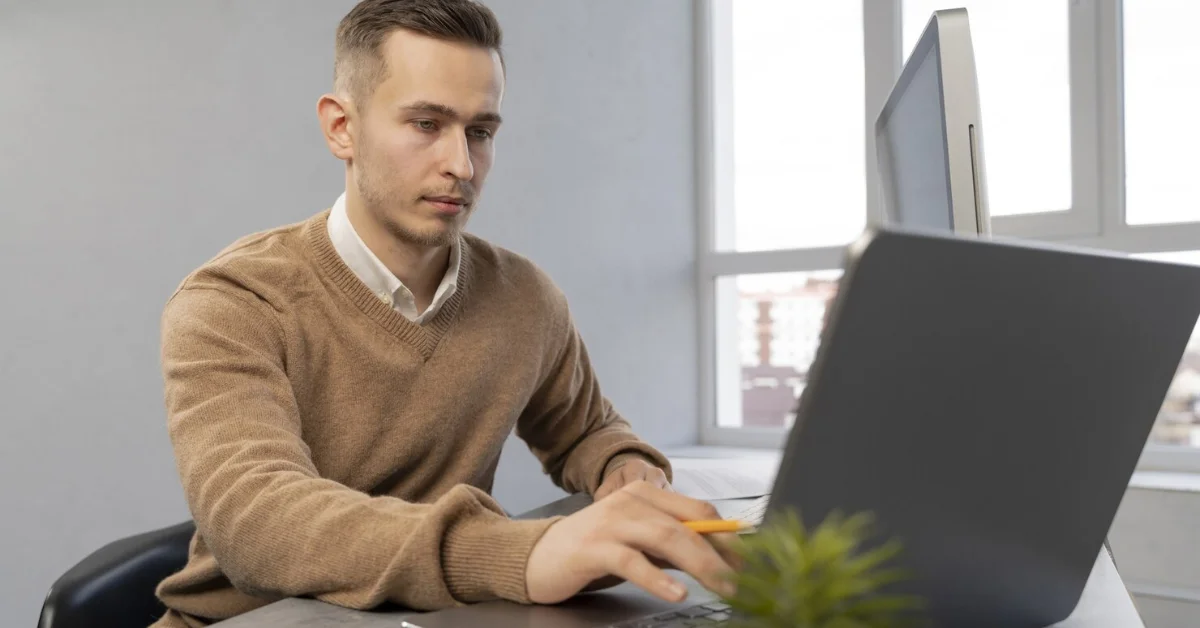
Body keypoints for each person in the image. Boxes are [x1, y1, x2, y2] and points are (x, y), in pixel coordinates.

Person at [151, 1, 736, 626]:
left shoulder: (526, 298)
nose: (461, 164)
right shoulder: (232, 301)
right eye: (427, 123)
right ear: (341, 128)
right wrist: (520, 554)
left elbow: (588, 432)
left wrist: (628, 473)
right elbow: (259, 520)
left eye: (480, 131)